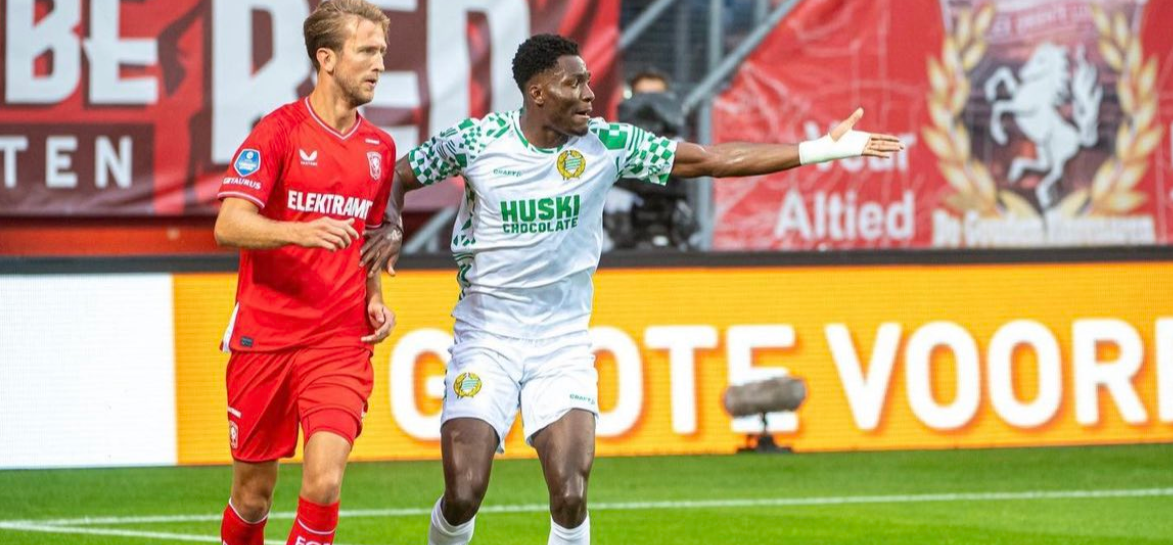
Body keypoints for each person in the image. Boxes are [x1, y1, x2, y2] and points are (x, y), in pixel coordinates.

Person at [359, 34, 903, 545]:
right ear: (537, 92)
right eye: (574, 83)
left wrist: (819, 149)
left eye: (588, 81)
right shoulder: (478, 142)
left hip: (561, 345)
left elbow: (707, 160)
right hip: (486, 338)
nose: (589, 94)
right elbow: (398, 176)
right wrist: (393, 223)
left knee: (570, 495)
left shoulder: (608, 144)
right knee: (464, 493)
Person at [212, 2, 397, 544]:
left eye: (382, 52)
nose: (379, 64)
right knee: (253, 494)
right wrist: (299, 231)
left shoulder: (380, 148)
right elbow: (228, 224)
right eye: (366, 51)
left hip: (339, 341)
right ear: (327, 58)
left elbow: (367, 237)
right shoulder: (278, 132)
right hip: (265, 336)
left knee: (324, 481)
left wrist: (374, 296)